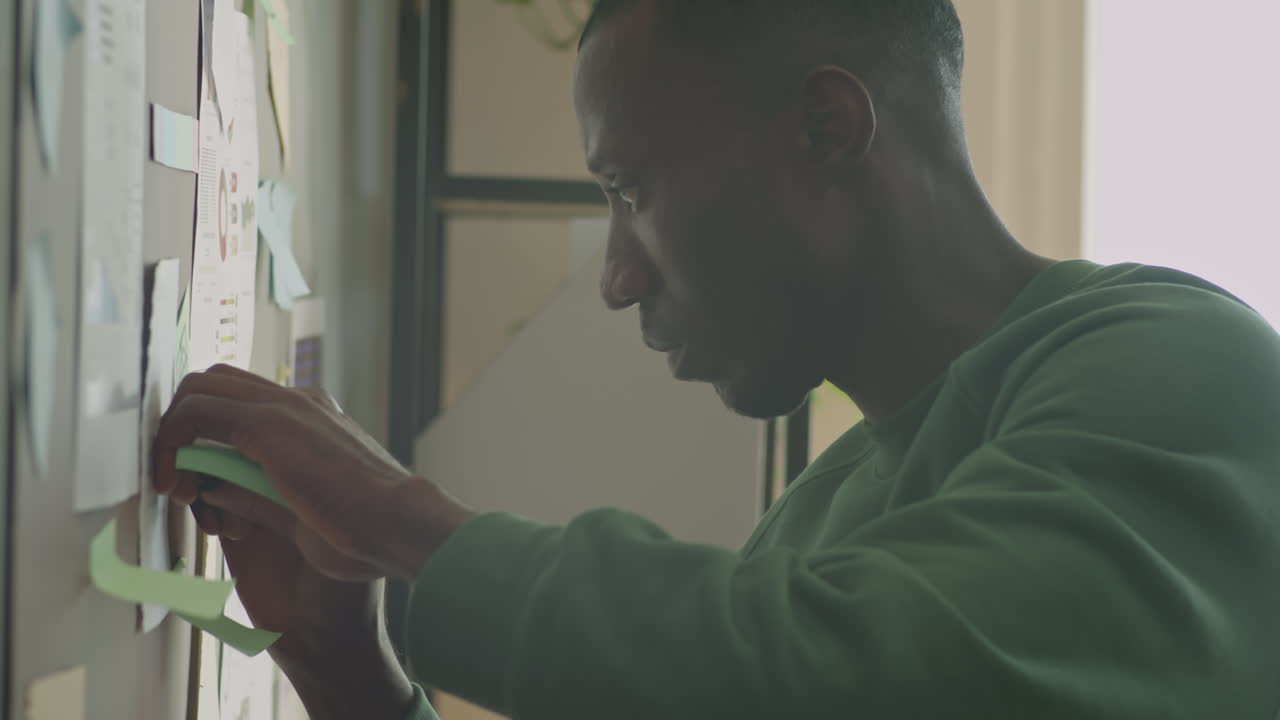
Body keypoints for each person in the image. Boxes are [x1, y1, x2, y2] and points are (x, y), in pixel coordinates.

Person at [154, 1, 1280, 718]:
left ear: (826, 129)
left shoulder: (1178, 362)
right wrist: (344, 666)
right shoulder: (827, 516)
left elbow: (866, 683)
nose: (618, 277)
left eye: (631, 192)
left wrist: (397, 522)